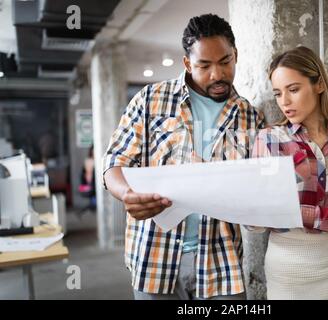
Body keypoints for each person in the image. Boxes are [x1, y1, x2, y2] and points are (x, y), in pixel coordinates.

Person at [103, 14, 264, 300]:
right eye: (204, 65)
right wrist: (127, 193)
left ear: (235, 55)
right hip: (155, 257)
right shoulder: (150, 100)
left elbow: (256, 190)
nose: (217, 74)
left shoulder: (249, 117)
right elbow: (114, 162)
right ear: (188, 63)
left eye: (225, 62)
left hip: (221, 264)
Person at [250, 46, 328, 300]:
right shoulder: (269, 140)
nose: (284, 102)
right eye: (278, 93)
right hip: (287, 271)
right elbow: (256, 221)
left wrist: (302, 215)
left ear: (318, 84)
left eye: (293, 89)